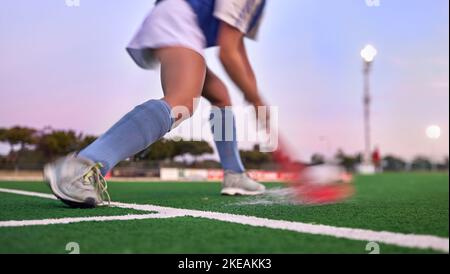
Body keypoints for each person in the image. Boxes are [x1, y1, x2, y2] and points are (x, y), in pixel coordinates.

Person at [44, 0, 268, 208]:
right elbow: (228, 54)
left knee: (220, 96)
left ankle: (235, 174)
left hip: (179, 19)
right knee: (183, 101)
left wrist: (254, 95)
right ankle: (81, 165)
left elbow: (237, 47)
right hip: (180, 17)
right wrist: (256, 100)